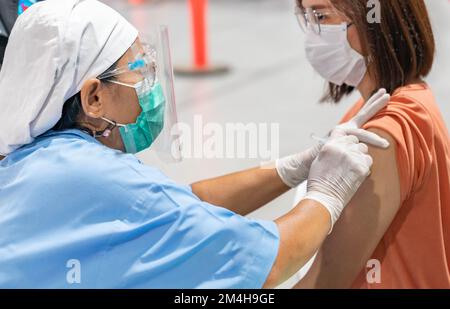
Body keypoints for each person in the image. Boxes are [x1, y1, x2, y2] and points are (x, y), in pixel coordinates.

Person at [0, 0, 389, 288]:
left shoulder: (37, 160)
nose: (151, 86)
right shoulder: (94, 176)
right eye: (138, 71)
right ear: (93, 97)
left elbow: (175, 204)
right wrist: (327, 193)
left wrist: (292, 169)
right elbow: (272, 261)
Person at [293, 0, 450, 288]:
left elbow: (325, 279)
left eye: (322, 16)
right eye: (307, 17)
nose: (312, 34)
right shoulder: (399, 103)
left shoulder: (382, 134)